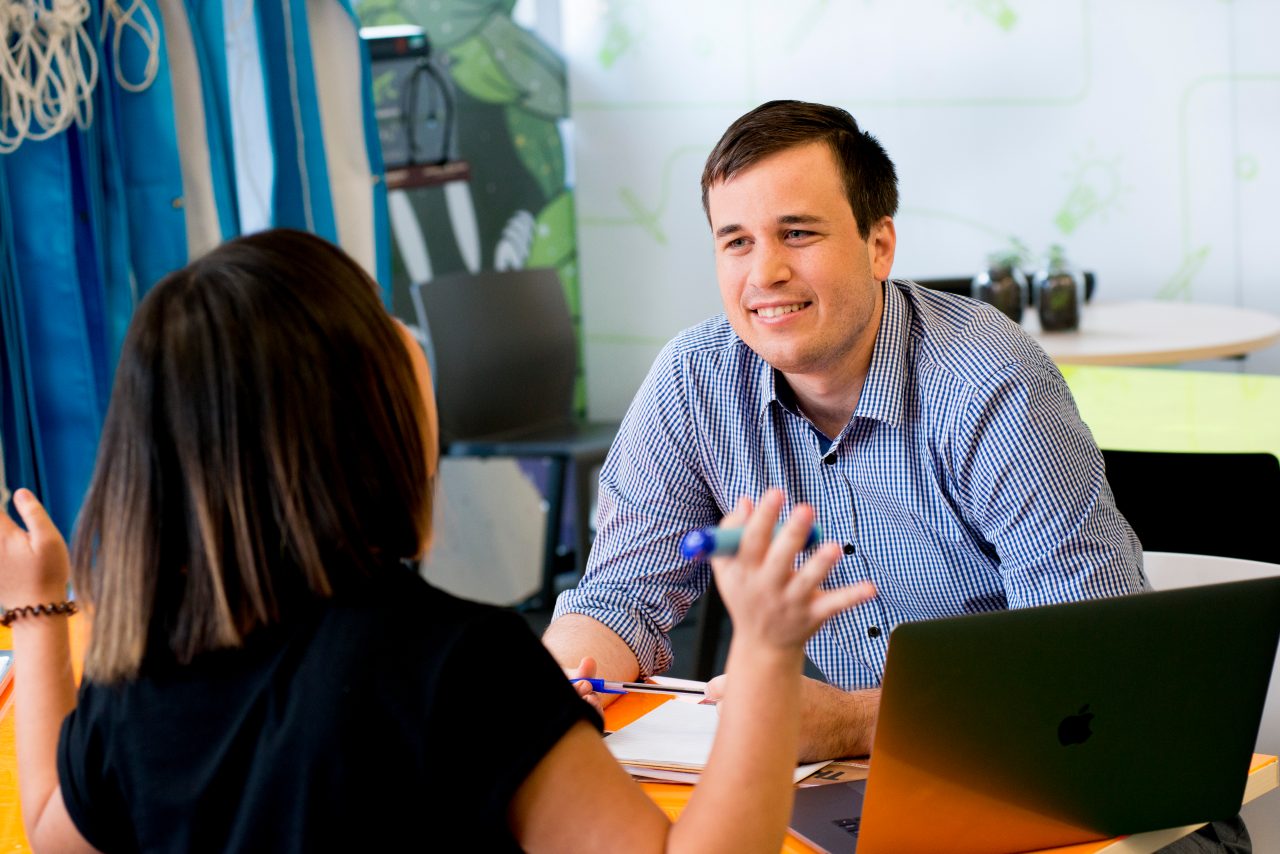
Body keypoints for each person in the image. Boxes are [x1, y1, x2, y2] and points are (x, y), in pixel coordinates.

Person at [0, 228, 875, 852]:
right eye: (381, 324)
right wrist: (765, 652)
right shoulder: (458, 666)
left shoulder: (140, 668)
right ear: (357, 417)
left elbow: (50, 830)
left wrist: (38, 611)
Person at [545, 100, 1148, 761]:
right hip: (865, 785)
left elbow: (1089, 662)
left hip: (1046, 764)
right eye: (737, 241)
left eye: (798, 234)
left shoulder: (989, 381)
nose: (764, 273)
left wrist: (854, 723)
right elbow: (622, 594)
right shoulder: (695, 380)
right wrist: (560, 682)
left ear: (879, 245)